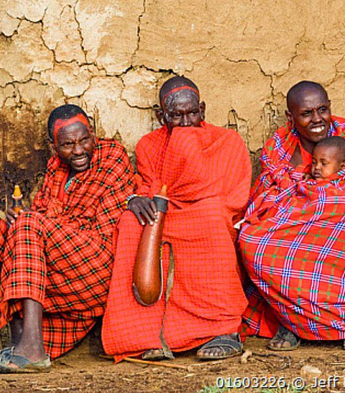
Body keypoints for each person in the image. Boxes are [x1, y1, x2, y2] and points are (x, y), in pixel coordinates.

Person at [0, 105, 135, 373]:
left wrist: (33, 222)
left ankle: (33, 350)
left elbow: (103, 229)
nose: (79, 150)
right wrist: (24, 221)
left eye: (84, 140)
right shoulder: (55, 169)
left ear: (93, 134)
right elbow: (41, 217)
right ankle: (21, 336)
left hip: (98, 262)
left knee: (28, 224)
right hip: (59, 259)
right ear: (53, 146)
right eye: (68, 144)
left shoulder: (112, 157)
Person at [102, 77, 252, 361]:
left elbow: (234, 197)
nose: (185, 122)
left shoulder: (227, 141)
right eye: (175, 116)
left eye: (191, 113)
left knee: (210, 219)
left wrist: (195, 189)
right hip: (167, 211)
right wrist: (137, 200)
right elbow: (149, 186)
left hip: (209, 212)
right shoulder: (149, 145)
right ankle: (149, 335)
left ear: (203, 110)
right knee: (132, 225)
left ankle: (223, 330)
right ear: (161, 117)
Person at [239, 81, 345, 351]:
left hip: (339, 223)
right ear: (291, 118)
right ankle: (291, 321)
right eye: (306, 114)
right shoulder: (279, 146)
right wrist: (300, 199)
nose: (317, 119)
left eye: (323, 110)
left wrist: (311, 196)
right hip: (292, 225)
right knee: (251, 242)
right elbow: (267, 195)